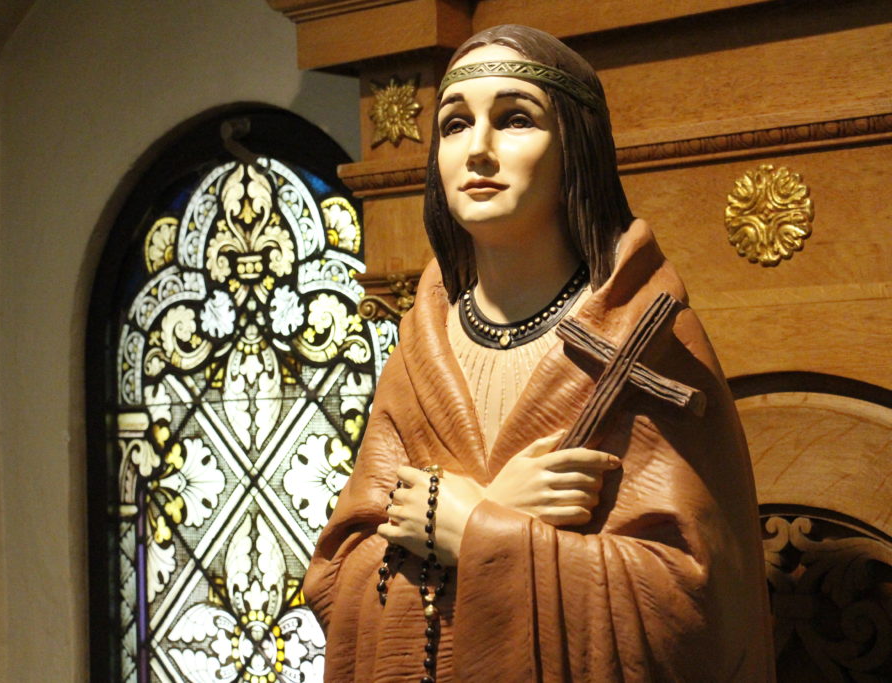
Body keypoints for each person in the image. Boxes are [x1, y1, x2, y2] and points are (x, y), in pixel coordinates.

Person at [304, 24, 774, 682]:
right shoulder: (417, 355)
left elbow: (692, 602)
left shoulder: (650, 338)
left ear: (573, 149)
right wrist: (503, 510)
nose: (479, 150)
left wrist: (481, 532)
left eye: (515, 119)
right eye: (455, 124)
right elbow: (340, 577)